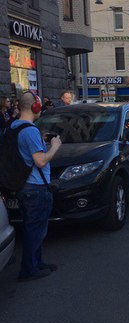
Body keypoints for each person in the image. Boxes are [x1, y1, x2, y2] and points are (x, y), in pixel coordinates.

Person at [11, 91, 62, 282]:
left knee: (35, 228)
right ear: (36, 107)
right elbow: (40, 161)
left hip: (25, 186)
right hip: (35, 187)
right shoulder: (29, 131)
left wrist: (41, 138)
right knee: (35, 231)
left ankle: (37, 263)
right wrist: (55, 146)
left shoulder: (15, 126)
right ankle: (29, 270)